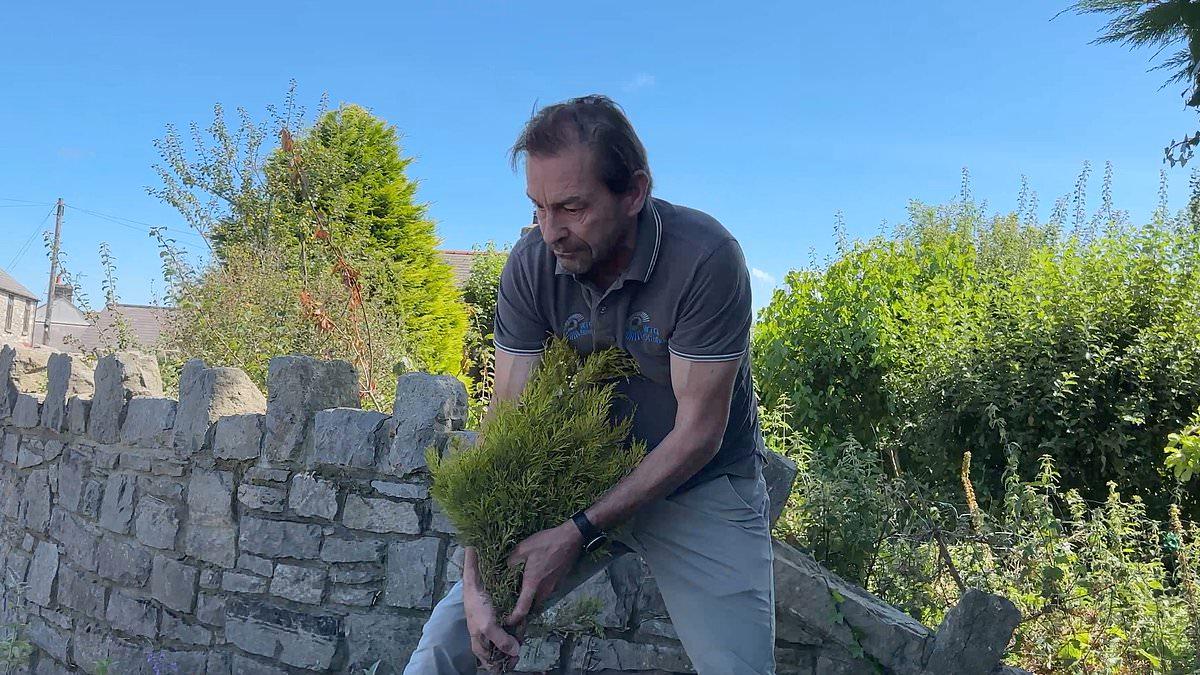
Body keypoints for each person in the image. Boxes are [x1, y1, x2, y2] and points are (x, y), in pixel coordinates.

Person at [404, 95, 775, 675]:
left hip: (700, 487)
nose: (550, 232)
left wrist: (577, 533)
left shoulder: (705, 259)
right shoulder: (531, 264)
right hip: (585, 475)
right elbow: (504, 422)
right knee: (447, 639)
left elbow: (699, 433)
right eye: (538, 208)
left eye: (572, 208)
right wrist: (476, 570)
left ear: (633, 193)